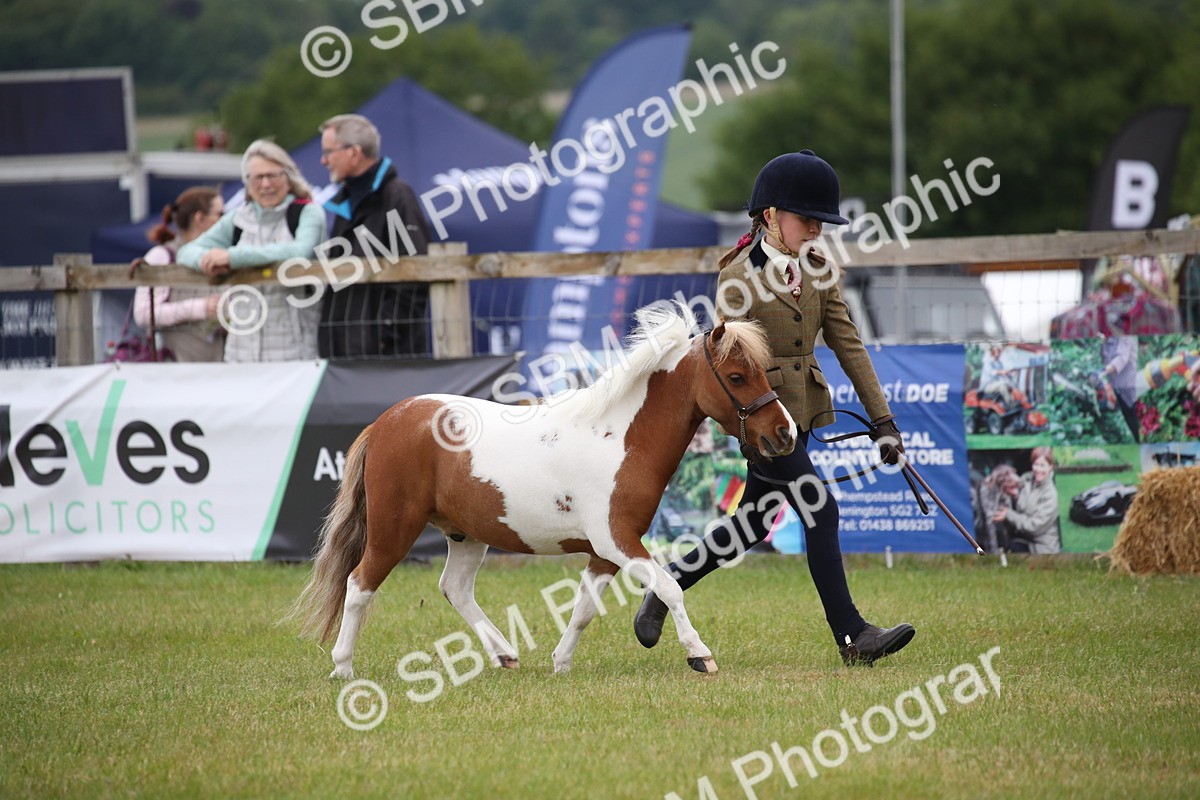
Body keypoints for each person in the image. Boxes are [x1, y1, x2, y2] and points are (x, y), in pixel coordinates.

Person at [634, 150, 916, 666]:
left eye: (821, 221)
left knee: (754, 523)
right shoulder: (738, 278)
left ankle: (666, 584)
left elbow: (850, 346)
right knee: (820, 508)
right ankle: (853, 637)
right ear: (770, 216)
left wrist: (884, 421)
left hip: (802, 414)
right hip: (762, 421)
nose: (816, 229)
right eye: (806, 218)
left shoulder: (822, 271)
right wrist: (751, 424)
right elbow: (731, 363)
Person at [178, 139, 325, 362]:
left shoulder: (308, 213)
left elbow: (299, 252)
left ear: (289, 177)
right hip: (240, 353)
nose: (265, 184)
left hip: (296, 354)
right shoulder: (237, 218)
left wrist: (232, 257)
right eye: (257, 177)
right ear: (247, 182)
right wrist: (207, 260)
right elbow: (185, 252)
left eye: (272, 175)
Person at [316, 114, 432, 359]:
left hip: (388, 358)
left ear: (354, 152)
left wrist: (384, 334)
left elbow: (416, 273)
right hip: (344, 353)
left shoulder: (397, 196)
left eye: (328, 152)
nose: (323, 160)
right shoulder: (345, 202)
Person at [133, 187, 225, 362]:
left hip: (218, 367)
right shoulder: (162, 255)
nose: (225, 221)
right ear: (200, 218)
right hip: (172, 367)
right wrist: (200, 308)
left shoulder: (221, 256)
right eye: (220, 214)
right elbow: (143, 313)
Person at [991, 447, 1060, 554]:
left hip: (1041, 547)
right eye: (1036, 464)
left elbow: (1034, 527)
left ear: (1050, 467)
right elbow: (1025, 503)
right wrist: (1015, 495)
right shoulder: (1027, 479)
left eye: (1042, 465)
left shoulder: (1050, 494)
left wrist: (1009, 514)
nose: (1038, 469)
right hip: (1025, 538)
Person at [1096, 336, 1139, 441]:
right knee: (1130, 420)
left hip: (1130, 387)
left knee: (1136, 417)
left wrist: (1102, 371)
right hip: (1118, 388)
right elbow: (1104, 359)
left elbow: (1121, 359)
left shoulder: (1124, 337)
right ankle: (1138, 440)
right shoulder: (1105, 341)